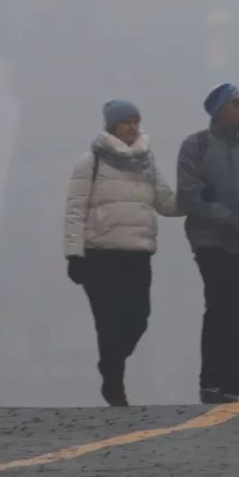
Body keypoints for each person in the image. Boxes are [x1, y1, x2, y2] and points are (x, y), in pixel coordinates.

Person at [64, 99, 181, 407]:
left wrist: (199, 200)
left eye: (135, 121)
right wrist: (73, 254)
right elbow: (75, 211)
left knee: (138, 318)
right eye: (126, 122)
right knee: (108, 322)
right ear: (112, 126)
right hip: (100, 255)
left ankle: (110, 364)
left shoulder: (146, 162)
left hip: (138, 253)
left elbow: (167, 202)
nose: (132, 127)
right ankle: (114, 384)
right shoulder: (90, 162)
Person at [177, 82, 239, 404]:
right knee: (220, 307)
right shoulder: (196, 146)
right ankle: (211, 383)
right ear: (221, 109)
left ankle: (233, 387)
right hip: (212, 241)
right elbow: (190, 195)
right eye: (238, 103)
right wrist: (227, 219)